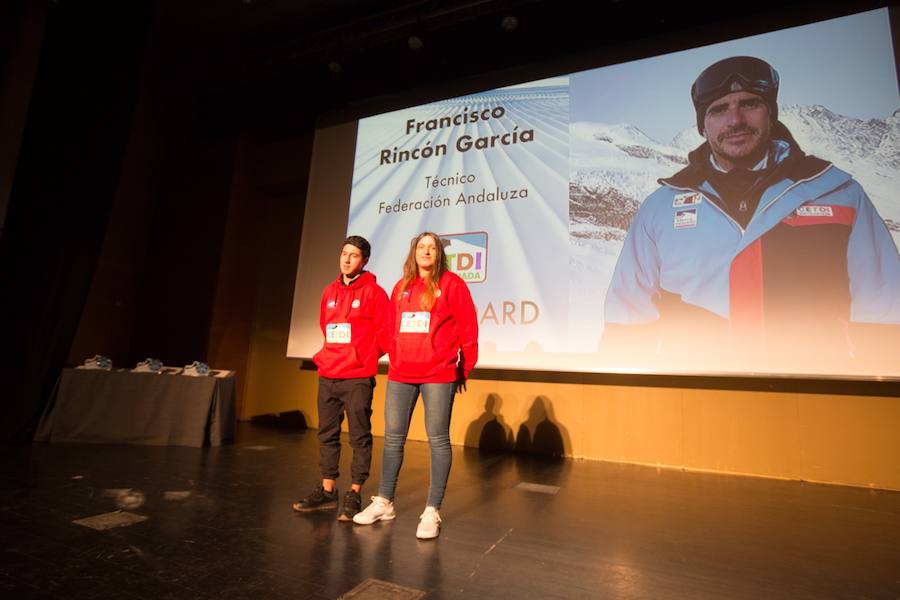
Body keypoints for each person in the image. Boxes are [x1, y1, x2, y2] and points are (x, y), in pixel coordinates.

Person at [603, 56, 900, 373]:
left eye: (749, 104)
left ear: (770, 114)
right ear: (702, 126)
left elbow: (884, 311)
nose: (735, 120)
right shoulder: (660, 208)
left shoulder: (837, 191)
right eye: (718, 110)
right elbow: (628, 317)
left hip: (814, 398)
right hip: (695, 398)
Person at [353, 231, 478, 539]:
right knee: (393, 439)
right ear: (414, 253)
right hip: (400, 373)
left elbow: (468, 328)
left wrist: (465, 368)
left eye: (431, 247)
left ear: (439, 254)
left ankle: (432, 510)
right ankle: (385, 501)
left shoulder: (453, 285)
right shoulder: (401, 286)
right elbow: (389, 327)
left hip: (438, 373)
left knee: (438, 440)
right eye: (421, 247)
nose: (426, 251)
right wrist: (394, 353)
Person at [292, 235, 393, 521]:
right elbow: (327, 327)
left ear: (364, 261)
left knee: (359, 436)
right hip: (328, 373)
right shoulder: (329, 291)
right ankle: (327, 491)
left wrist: (363, 356)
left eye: (354, 255)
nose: (347, 259)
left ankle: (355, 493)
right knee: (327, 433)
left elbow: (386, 334)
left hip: (357, 376)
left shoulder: (375, 293)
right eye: (344, 253)